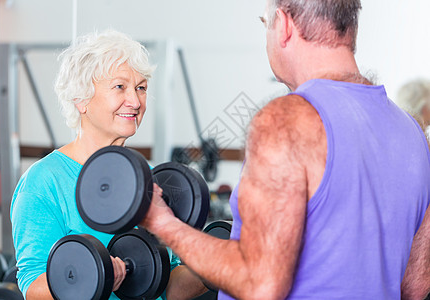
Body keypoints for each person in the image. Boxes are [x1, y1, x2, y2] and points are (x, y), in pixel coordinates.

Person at [140, 1, 430, 299]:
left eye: (264, 22)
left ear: (284, 25)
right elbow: (416, 286)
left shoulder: (285, 120)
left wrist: (163, 223)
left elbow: (260, 284)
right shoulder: (413, 132)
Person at [10, 30, 207, 300]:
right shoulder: (44, 181)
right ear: (81, 99)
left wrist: (220, 261)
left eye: (141, 88)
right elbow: (33, 286)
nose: (136, 102)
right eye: (120, 87)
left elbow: (164, 286)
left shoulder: (147, 179)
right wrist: (95, 276)